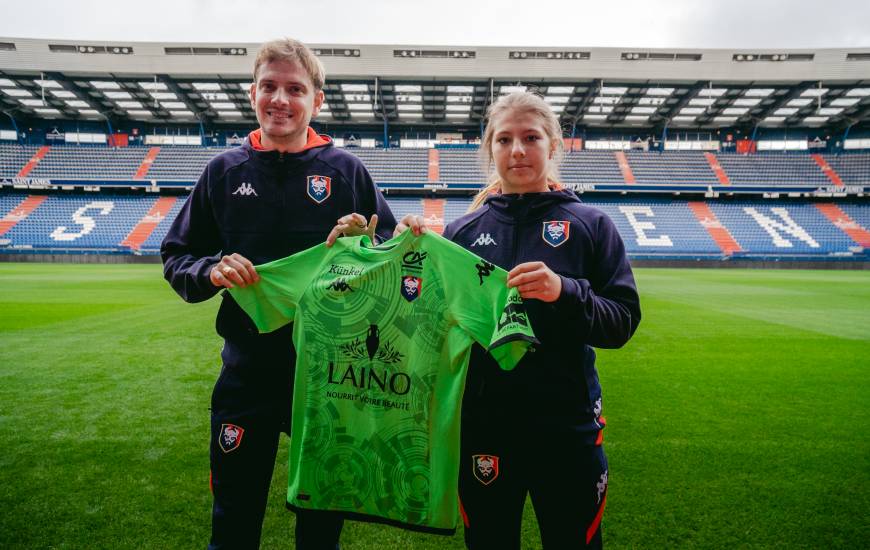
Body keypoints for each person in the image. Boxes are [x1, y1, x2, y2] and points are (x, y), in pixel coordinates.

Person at [161, 37, 404, 550]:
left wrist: (367, 238)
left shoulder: (346, 171)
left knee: (319, 526)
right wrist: (211, 270)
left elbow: (394, 253)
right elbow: (177, 256)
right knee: (233, 519)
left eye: (295, 88)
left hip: (329, 377)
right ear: (252, 93)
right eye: (269, 86)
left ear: (316, 101)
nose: (280, 98)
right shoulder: (224, 172)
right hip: (246, 373)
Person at [440, 91, 641, 549]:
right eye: (504, 139)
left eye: (530, 137)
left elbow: (623, 321)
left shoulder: (591, 225)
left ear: (553, 144)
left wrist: (564, 292)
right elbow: (436, 324)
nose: (517, 151)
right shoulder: (461, 234)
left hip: (566, 431)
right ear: (489, 148)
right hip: (485, 429)